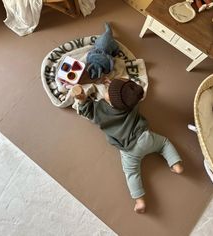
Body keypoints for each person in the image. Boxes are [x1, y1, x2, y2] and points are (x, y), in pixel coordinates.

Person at [71, 79, 184, 214]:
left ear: (111, 101)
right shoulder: (132, 103)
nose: (106, 90)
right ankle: (176, 165)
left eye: (108, 91)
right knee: (164, 143)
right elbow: (133, 91)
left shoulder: (100, 111)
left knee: (132, 173)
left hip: (129, 150)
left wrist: (82, 99)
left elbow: (86, 110)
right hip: (145, 137)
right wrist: (115, 83)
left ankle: (140, 200)